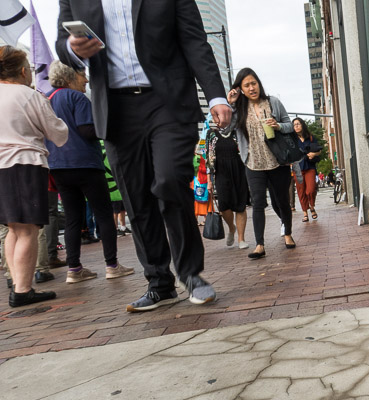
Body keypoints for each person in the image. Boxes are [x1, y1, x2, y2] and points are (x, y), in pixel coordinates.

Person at [57, 0, 232, 312]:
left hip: (167, 101)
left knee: (169, 181)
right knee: (135, 197)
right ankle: (159, 282)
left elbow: (194, 39)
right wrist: (73, 49)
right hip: (115, 109)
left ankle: (191, 274)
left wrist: (217, 95)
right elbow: (62, 45)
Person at [45, 60, 135, 284]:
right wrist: (108, 126)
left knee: (73, 218)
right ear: (69, 77)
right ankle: (112, 265)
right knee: (103, 214)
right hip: (85, 163)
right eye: (82, 75)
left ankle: (74, 268)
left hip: (58, 166)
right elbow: (87, 131)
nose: (86, 80)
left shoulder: (46, 99)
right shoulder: (77, 98)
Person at [0, 46, 68, 307]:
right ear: (21, 71)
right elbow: (59, 134)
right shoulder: (30, 96)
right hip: (25, 164)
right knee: (28, 229)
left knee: (12, 228)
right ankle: (22, 289)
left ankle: (17, 283)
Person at [226, 67, 296, 259]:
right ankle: (259, 244)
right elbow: (226, 130)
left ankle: (288, 234)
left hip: (277, 161)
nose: (251, 88)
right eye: (246, 85)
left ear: (259, 84)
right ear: (240, 89)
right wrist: (231, 105)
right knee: (257, 203)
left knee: (281, 200)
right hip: (253, 162)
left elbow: (290, 125)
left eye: (253, 83)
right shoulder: (239, 109)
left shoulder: (273, 102)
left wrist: (278, 125)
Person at [207, 127, 249, 249]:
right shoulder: (211, 134)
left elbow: (246, 150)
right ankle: (231, 228)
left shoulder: (237, 131)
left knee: (241, 205)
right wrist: (209, 180)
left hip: (239, 170)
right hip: (220, 171)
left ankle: (241, 239)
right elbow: (208, 157)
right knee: (224, 205)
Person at [292, 118, 322, 222]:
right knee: (301, 191)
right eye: (294, 125)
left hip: (310, 167)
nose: (296, 126)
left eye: (298, 124)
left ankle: (312, 206)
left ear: (302, 125)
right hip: (298, 169)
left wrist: (314, 154)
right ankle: (305, 212)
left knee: (311, 189)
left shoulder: (311, 138)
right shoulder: (292, 139)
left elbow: (319, 150)